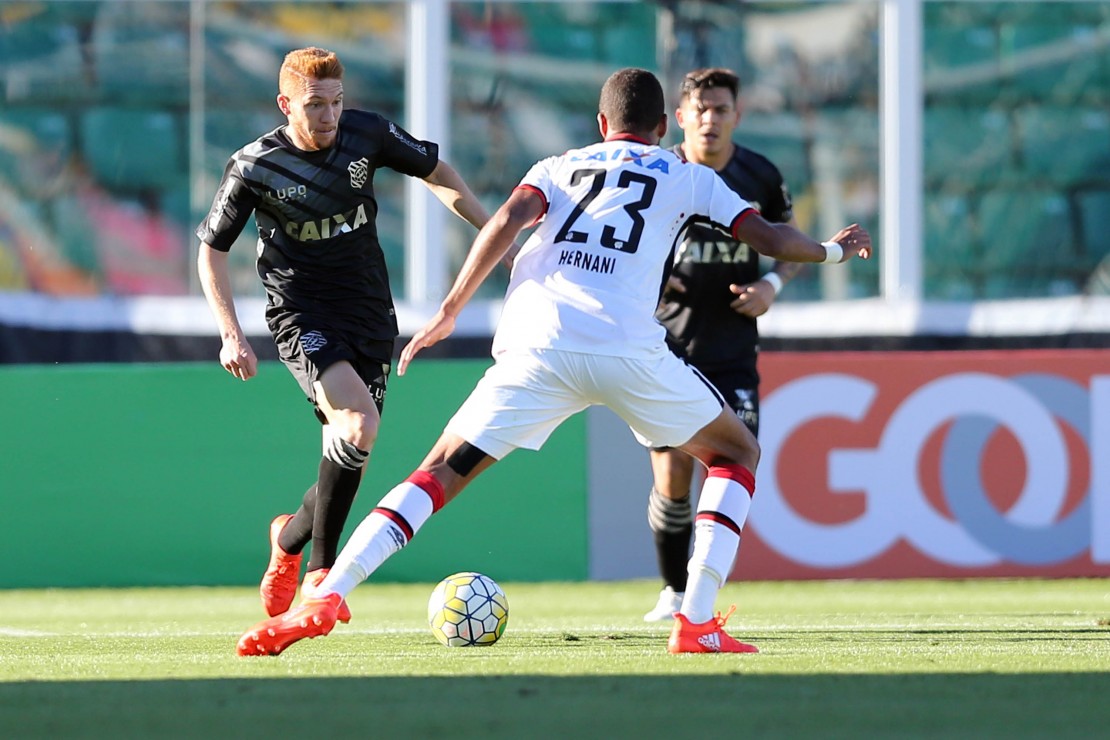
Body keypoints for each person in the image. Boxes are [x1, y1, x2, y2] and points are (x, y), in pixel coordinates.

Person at [235, 67, 871, 657]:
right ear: (664, 129)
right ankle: (696, 621)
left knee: (434, 476)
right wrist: (832, 252)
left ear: (600, 125)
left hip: (536, 341)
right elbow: (769, 238)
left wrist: (452, 307)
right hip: (626, 346)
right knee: (736, 454)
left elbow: (506, 221)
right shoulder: (687, 174)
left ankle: (327, 595)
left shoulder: (558, 166)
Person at [196, 47, 490, 625]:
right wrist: (231, 333)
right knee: (357, 425)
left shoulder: (367, 134)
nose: (328, 116)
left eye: (335, 102)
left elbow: (438, 174)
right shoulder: (254, 166)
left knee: (351, 448)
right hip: (301, 314)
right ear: (285, 105)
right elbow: (211, 251)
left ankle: (288, 540)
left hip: (370, 315)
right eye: (314, 105)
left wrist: (493, 233)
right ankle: (322, 576)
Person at [643, 67, 801, 621]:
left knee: (731, 464)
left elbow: (787, 241)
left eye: (721, 110)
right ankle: (674, 592)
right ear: (679, 118)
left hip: (733, 347)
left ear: (738, 115)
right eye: (701, 110)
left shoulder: (759, 174)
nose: (711, 120)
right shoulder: (658, 173)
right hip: (666, 347)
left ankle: (701, 591)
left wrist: (771, 285)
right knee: (672, 477)